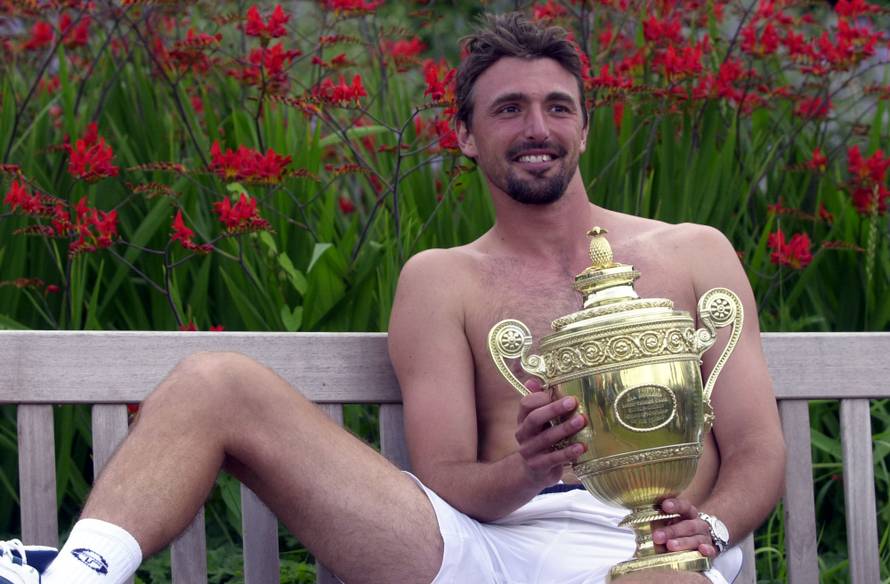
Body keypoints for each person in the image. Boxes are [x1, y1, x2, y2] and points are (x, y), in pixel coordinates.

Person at [0, 12, 785, 584]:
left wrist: (708, 530)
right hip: (483, 550)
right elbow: (446, 478)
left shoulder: (693, 253)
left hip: (658, 555)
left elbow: (755, 450)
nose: (535, 127)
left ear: (585, 127)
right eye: (507, 109)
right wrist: (526, 468)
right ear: (466, 137)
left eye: (557, 107)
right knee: (215, 380)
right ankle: (74, 577)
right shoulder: (440, 279)